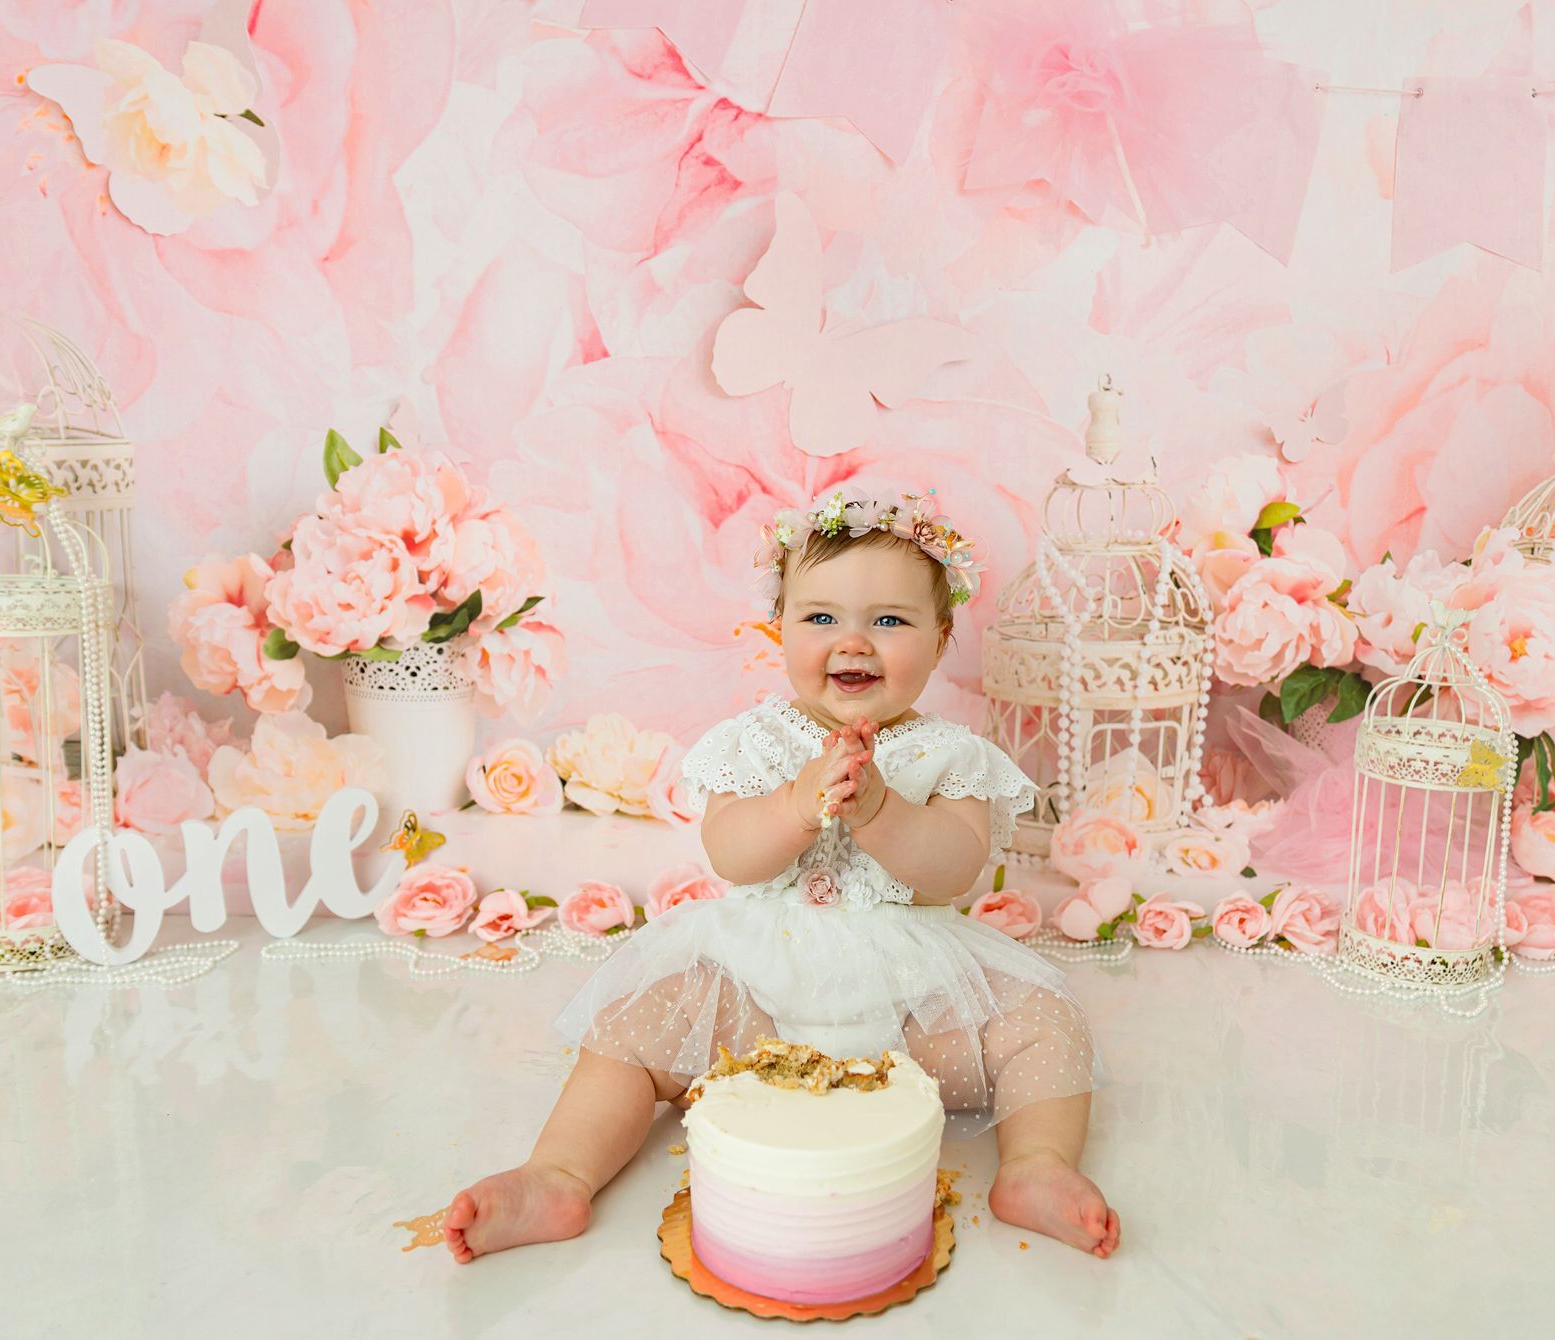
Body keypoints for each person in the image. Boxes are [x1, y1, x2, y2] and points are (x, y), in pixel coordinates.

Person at [444, 486, 1118, 1263]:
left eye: (890, 621)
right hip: (754, 1004)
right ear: (780, 630)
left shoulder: (953, 755)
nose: (853, 642)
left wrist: (882, 813)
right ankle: (558, 1173)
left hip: (910, 1014)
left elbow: (956, 872)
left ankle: (1036, 1168)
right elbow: (730, 852)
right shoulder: (756, 740)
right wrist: (797, 806)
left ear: (939, 642)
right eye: (821, 618)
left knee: (1046, 1023)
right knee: (630, 1025)